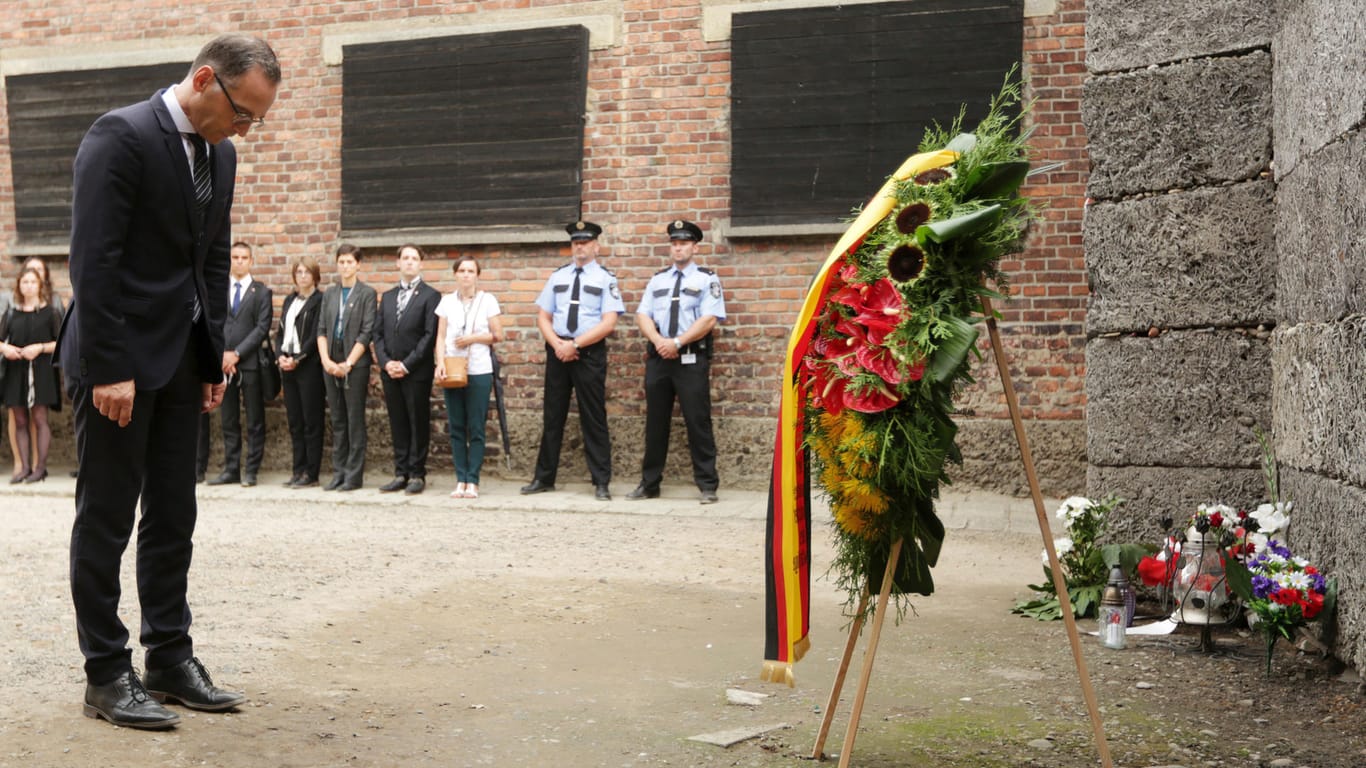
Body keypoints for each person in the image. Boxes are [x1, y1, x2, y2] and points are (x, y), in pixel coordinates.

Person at [58, 34, 278, 730]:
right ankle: (106, 671)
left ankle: (170, 659)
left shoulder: (222, 154)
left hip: (181, 364)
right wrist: (109, 367)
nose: (247, 129)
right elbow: (94, 261)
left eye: (256, 120)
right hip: (118, 365)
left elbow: (211, 263)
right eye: (243, 112)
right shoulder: (119, 137)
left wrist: (210, 359)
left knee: (174, 517)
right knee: (107, 517)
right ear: (206, 80)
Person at [520, 221, 624, 501]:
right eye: (576, 242)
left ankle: (601, 481)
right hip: (558, 351)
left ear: (596, 246)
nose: (580, 246)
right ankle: (544, 477)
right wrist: (558, 345)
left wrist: (575, 345)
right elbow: (544, 316)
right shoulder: (558, 277)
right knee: (553, 416)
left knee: (593, 417)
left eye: (586, 242)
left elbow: (609, 322)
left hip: (588, 354)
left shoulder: (606, 279)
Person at [626, 220, 726, 504]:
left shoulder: (707, 279)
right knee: (655, 423)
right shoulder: (658, 280)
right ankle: (649, 484)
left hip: (691, 357)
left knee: (698, 421)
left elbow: (709, 319)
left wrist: (678, 342)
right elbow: (643, 315)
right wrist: (659, 341)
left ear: (695, 246)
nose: (678, 247)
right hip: (659, 357)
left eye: (683, 243)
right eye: (674, 243)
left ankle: (707, 485)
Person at [198, 241, 272, 487]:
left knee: (254, 419)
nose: (239, 261)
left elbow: (262, 328)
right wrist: (220, 355)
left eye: (244, 257)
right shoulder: (218, 289)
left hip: (249, 363)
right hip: (222, 365)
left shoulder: (261, 292)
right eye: (235, 257)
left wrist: (237, 353)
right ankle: (231, 468)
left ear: (251, 261)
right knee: (228, 419)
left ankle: (251, 469)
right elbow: (212, 321)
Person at [434, 257, 504, 500]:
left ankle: (473, 480)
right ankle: (460, 478)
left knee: (476, 426)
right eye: (461, 271)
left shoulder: (488, 300)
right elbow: (440, 337)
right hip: (453, 368)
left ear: (477, 275)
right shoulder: (446, 302)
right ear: (455, 275)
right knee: (456, 426)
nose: (466, 275)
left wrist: (472, 338)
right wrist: (440, 363)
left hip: (478, 369)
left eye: (470, 271)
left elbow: (497, 335)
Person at [374, 243, 441, 495]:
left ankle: (417, 473)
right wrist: (386, 362)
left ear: (421, 264)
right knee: (397, 421)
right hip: (390, 370)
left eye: (414, 258)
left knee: (417, 420)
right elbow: (377, 333)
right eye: (405, 258)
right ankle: (400, 472)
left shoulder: (430, 295)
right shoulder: (388, 296)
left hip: (416, 371)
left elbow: (428, 335)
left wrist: (406, 364)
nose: (410, 262)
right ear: (398, 263)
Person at [317, 242, 376, 492]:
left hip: (355, 363)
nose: (345, 266)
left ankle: (354, 475)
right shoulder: (330, 293)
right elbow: (321, 329)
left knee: (354, 419)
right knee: (338, 419)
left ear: (358, 265)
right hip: (331, 361)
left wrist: (348, 363)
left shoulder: (367, 293)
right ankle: (338, 472)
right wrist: (327, 361)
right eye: (341, 261)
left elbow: (366, 332)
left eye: (350, 262)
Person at [1, 267, 62, 483]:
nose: (28, 286)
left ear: (40, 285)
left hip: (41, 370)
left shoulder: (50, 313)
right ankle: (24, 468)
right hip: (16, 370)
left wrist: (40, 348)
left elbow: (60, 343)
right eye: (24, 282)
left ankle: (40, 468)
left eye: (32, 282)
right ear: (18, 285)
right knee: (19, 420)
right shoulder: (11, 313)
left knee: (39, 418)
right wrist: (6, 349)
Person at [276, 255, 325, 488]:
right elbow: (279, 333)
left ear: (315, 276)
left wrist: (297, 359)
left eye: (307, 272)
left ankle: (311, 473)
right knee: (295, 420)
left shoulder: (320, 301)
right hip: (287, 367)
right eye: (299, 272)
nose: (302, 276)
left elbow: (316, 336)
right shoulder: (289, 300)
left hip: (308, 368)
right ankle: (298, 470)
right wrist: (280, 357)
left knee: (311, 421)